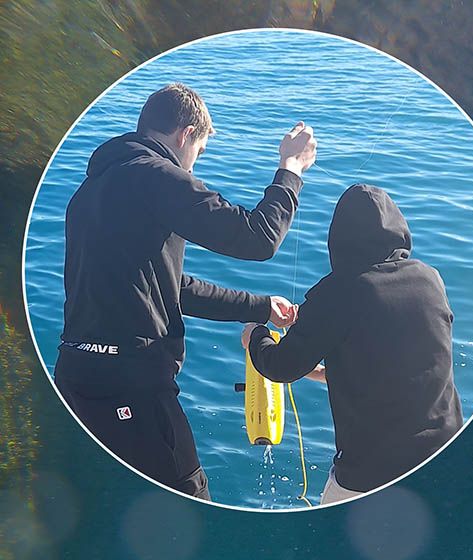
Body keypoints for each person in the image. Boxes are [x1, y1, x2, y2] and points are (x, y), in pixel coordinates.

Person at [55, 82, 317, 500]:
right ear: (186, 134)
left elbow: (170, 288)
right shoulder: (157, 176)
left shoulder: (90, 192)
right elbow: (259, 238)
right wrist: (291, 169)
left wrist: (261, 307)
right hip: (132, 383)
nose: (193, 166)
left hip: (74, 378)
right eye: (199, 152)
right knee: (190, 502)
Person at [242, 184, 463, 503]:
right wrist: (322, 361)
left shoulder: (338, 292)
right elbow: (403, 358)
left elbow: (280, 366)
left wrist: (255, 335)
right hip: (444, 452)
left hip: (373, 471)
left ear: (339, 238)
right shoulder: (430, 279)